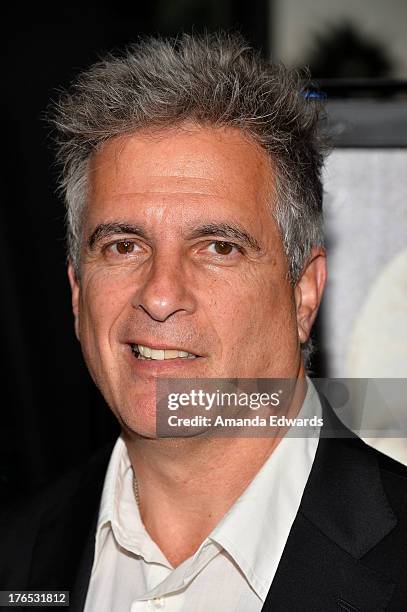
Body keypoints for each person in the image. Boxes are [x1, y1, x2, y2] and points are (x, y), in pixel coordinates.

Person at [1, 33, 406, 611]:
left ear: (304, 294)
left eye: (218, 247)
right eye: (122, 246)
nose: (161, 296)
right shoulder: (17, 558)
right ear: (76, 289)